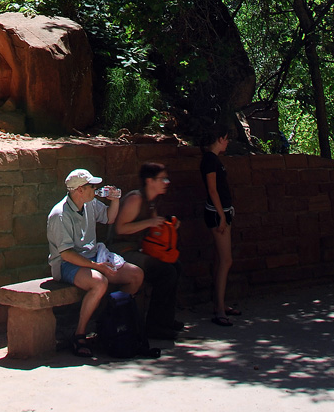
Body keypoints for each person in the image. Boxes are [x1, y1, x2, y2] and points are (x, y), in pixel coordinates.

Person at [47, 167, 145, 358]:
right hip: (67, 264)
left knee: (136, 275)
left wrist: (115, 201)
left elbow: (109, 218)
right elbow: (66, 254)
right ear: (79, 190)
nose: (95, 189)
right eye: (91, 186)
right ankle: (80, 334)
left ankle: (108, 322)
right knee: (100, 282)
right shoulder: (60, 214)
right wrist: (95, 267)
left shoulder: (90, 203)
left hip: (93, 258)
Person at [114, 162, 184, 340]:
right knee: (165, 272)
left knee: (175, 266)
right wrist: (150, 223)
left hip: (140, 250)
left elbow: (155, 229)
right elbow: (120, 229)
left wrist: (169, 225)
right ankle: (155, 326)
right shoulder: (135, 199)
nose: (166, 182)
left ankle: (166, 320)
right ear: (149, 181)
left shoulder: (151, 201)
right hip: (121, 251)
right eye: (162, 179)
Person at [200, 124, 240, 327]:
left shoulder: (215, 160)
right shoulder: (209, 160)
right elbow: (212, 190)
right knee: (226, 260)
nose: (227, 142)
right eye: (225, 138)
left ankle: (219, 303)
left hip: (223, 212)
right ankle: (220, 309)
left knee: (220, 260)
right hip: (218, 215)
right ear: (218, 139)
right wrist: (222, 217)